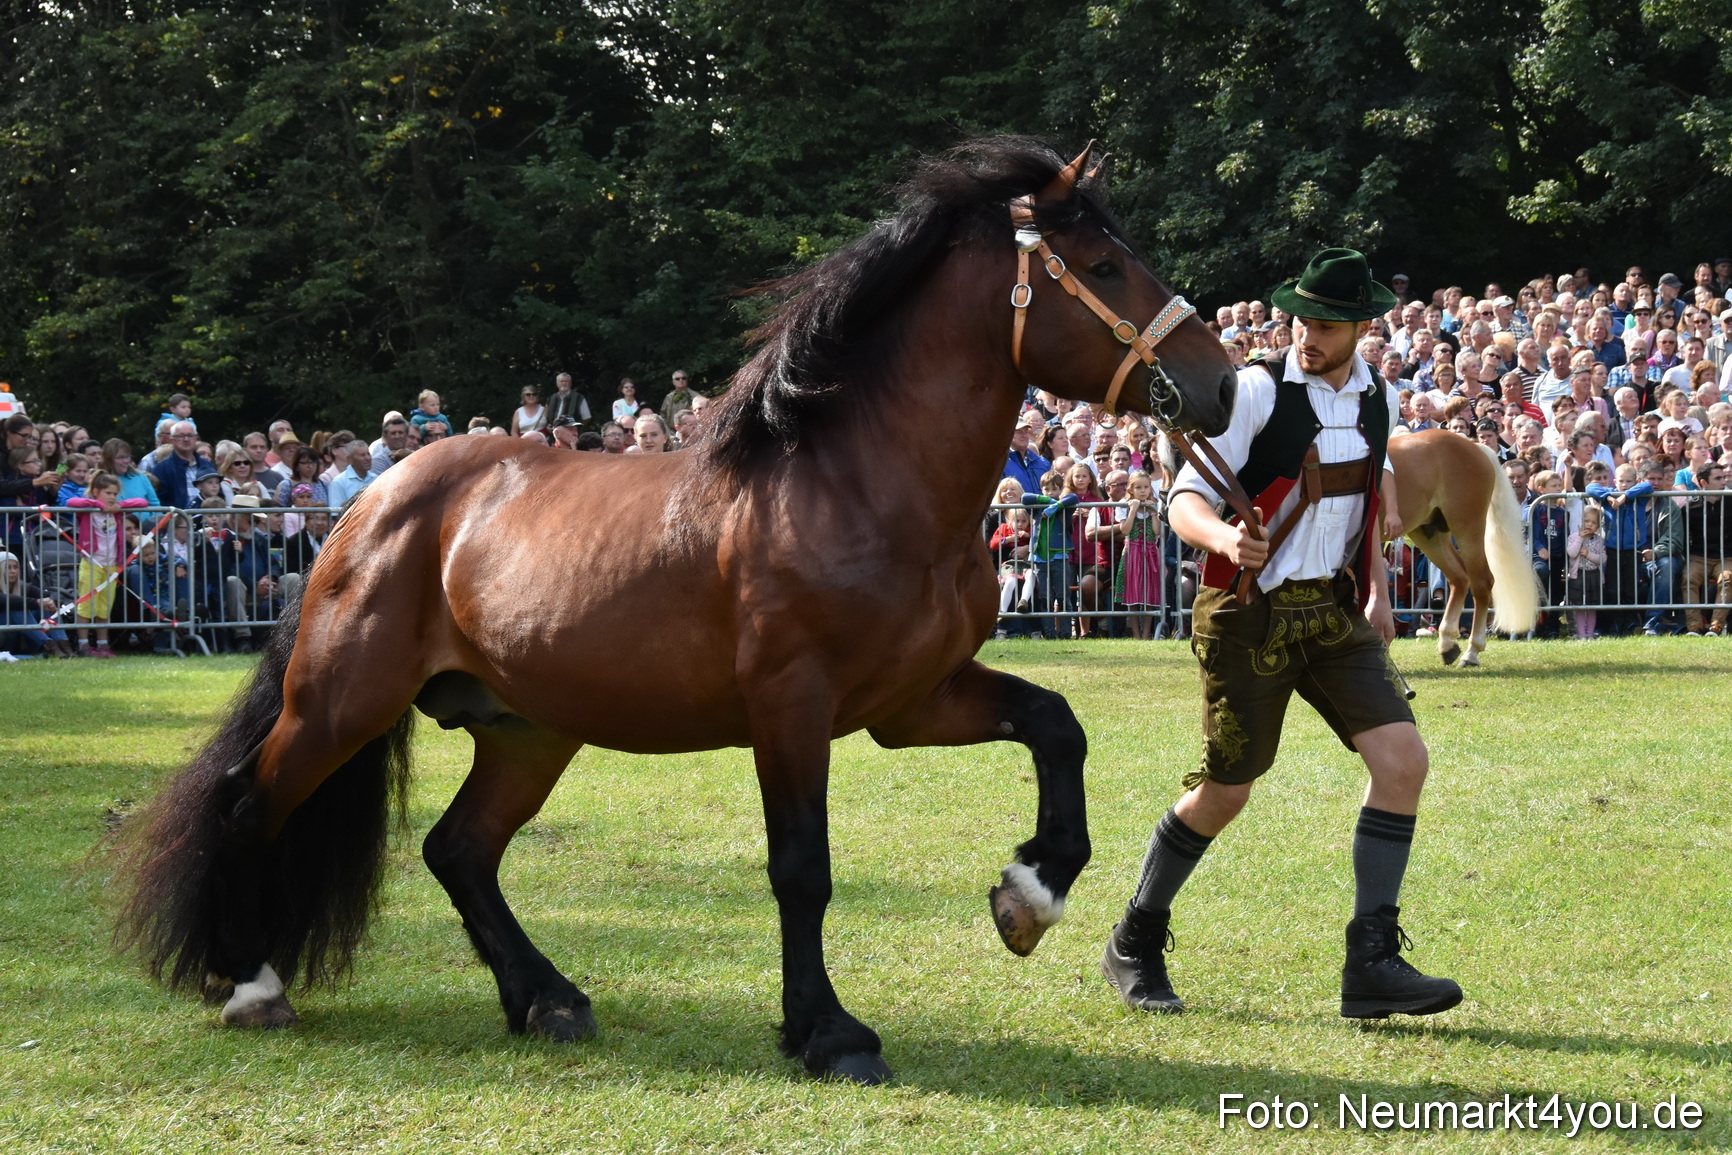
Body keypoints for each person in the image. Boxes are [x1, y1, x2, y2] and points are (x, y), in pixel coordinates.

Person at [1101, 248, 1459, 1023]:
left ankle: (1372, 964)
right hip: (1247, 613)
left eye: (1327, 324)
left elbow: (1370, 487)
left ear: (1362, 327)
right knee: (1226, 793)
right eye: (1303, 319)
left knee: (1403, 760)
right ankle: (1136, 935)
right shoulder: (1256, 392)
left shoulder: (1376, 398)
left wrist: (1378, 589)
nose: (1309, 335)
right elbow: (1183, 500)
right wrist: (1224, 540)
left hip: (1331, 613)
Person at [65, 472, 148, 657]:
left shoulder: (117, 511)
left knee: (105, 606)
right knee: (86, 604)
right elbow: (72, 503)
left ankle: (103, 645)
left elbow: (142, 503)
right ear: (95, 491)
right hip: (92, 562)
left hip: (111, 564)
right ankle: (84, 645)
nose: (111, 497)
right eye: (107, 493)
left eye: (114, 493)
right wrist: (98, 504)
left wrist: (120, 505)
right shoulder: (89, 510)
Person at [1113, 471, 1164, 639]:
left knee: (1148, 596)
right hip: (1132, 552)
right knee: (1133, 595)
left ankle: (1147, 633)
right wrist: (1133, 510)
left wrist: (1153, 512)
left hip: (1150, 552)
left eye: (1146, 487)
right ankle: (1136, 633)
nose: (1143, 491)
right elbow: (1125, 530)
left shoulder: (1154, 504)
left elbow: (1157, 531)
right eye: (1138, 487)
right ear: (1131, 489)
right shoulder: (1124, 504)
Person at [143, 421, 218, 508]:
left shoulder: (207, 465)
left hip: (208, 519)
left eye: (190, 435)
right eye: (181, 436)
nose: (186, 439)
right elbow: (158, 501)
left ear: (195, 439)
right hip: (176, 520)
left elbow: (219, 495)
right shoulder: (162, 469)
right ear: (172, 439)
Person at [1566, 503, 1607, 639]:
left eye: (1593, 522)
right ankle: (1581, 634)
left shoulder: (1599, 540)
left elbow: (1603, 558)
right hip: (1578, 576)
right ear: (1580, 521)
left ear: (1598, 526)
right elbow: (1571, 553)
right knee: (1579, 606)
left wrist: (1589, 554)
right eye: (1586, 521)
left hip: (1593, 576)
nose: (1589, 524)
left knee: (1591, 607)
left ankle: (1590, 633)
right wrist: (1580, 538)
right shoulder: (1573, 537)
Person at [327, 439, 375, 508]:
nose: (368, 458)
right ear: (350, 459)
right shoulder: (339, 482)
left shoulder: (376, 479)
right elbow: (336, 512)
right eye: (362, 455)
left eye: (368, 454)